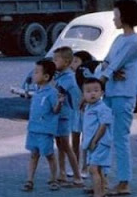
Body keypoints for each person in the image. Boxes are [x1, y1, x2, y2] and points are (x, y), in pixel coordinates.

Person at [98, 0, 137, 196]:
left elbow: (114, 64)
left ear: (124, 17)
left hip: (123, 94)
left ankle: (124, 182)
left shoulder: (134, 42)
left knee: (120, 138)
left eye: (116, 15)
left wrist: (105, 74)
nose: (114, 19)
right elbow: (107, 62)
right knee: (104, 136)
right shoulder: (119, 39)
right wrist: (109, 70)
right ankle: (102, 179)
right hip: (111, 92)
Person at [21, 59, 63, 192]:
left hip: (45, 130)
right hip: (33, 129)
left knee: (49, 154)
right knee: (34, 154)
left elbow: (55, 110)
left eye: (36, 72)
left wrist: (60, 103)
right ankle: (29, 180)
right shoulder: (37, 91)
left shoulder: (51, 92)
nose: (34, 75)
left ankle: (54, 179)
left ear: (46, 76)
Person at [52, 46, 84, 188]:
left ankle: (77, 176)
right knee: (59, 144)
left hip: (65, 115)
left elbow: (57, 90)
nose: (53, 62)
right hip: (58, 114)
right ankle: (62, 173)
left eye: (56, 60)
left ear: (66, 62)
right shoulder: (59, 76)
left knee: (66, 145)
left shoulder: (69, 77)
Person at [81, 77, 113, 197]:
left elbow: (103, 125)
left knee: (93, 169)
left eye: (96, 90)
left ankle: (98, 194)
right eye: (88, 91)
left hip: (100, 143)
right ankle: (101, 191)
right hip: (92, 144)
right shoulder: (88, 107)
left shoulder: (102, 108)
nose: (92, 94)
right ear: (83, 94)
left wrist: (95, 140)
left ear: (102, 93)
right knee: (98, 169)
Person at [69, 51, 93, 179]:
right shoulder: (70, 77)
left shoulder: (87, 77)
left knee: (86, 141)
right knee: (74, 140)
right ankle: (75, 166)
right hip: (75, 112)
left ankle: (86, 167)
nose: (72, 64)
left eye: (76, 61)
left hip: (86, 112)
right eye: (72, 61)